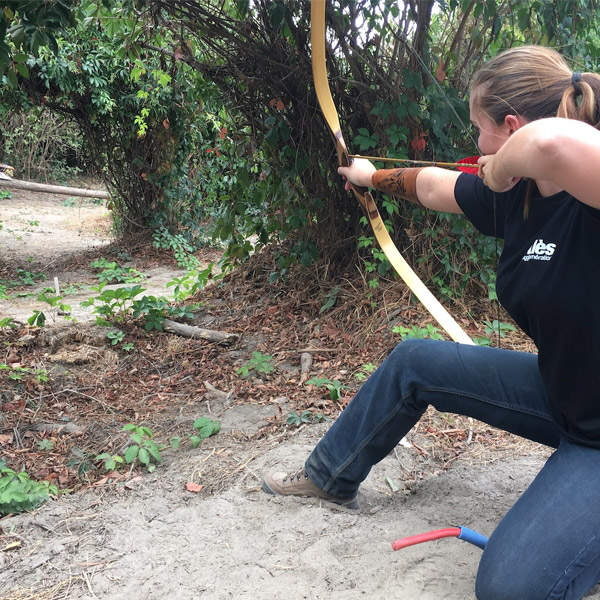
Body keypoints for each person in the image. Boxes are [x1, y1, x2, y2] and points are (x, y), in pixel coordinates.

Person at [262, 45, 600, 599]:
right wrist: (373, 177)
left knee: (509, 587)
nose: (476, 147)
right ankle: (329, 478)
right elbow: (432, 185)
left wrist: (505, 164)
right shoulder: (520, 198)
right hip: (566, 396)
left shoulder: (588, 192)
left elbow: (550, 144)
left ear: (510, 128)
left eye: (479, 131)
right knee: (414, 361)